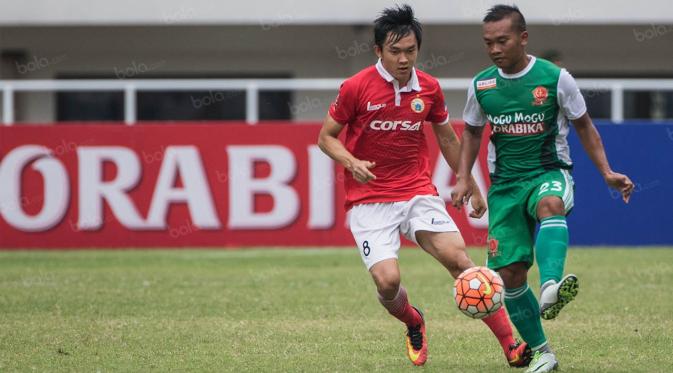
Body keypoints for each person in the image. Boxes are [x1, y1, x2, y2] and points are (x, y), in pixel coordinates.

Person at [318, 4, 530, 368]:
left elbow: (448, 139)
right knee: (387, 282)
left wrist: (470, 183)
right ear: (378, 51)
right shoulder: (355, 87)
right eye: (395, 51)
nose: (403, 59)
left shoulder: (429, 88)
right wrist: (351, 161)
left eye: (411, 51)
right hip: (368, 200)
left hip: (415, 191)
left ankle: (511, 344)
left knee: (460, 260)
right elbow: (326, 138)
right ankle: (413, 322)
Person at [451, 5, 634, 372]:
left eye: (502, 41)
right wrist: (463, 177)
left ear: (523, 37)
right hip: (504, 186)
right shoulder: (482, 85)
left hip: (549, 172)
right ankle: (542, 352)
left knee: (551, 203)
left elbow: (584, 126)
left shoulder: (555, 79)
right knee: (509, 276)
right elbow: (471, 131)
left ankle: (551, 285)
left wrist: (606, 171)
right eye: (488, 43)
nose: (495, 49)